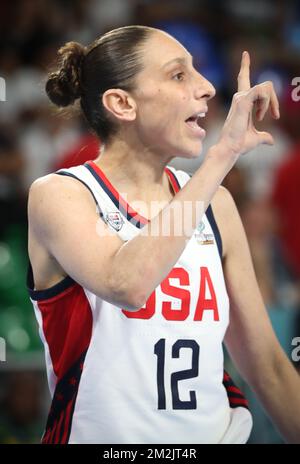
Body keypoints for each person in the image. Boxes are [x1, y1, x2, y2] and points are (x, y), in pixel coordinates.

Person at [26, 25, 300, 444]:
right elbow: (128, 284)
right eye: (178, 75)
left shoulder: (217, 206)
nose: (207, 87)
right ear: (122, 103)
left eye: (198, 72)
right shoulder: (61, 195)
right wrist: (222, 155)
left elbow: (269, 367)